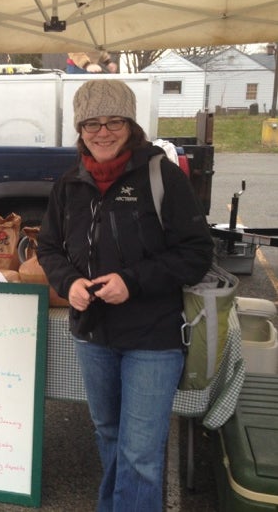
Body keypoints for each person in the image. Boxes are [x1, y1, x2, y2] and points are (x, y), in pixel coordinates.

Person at [36, 79, 214, 512]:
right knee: (109, 435)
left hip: (153, 339)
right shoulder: (69, 184)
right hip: (92, 336)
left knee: (140, 451)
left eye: (113, 121)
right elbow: (48, 247)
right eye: (91, 123)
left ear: (130, 125)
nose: (102, 132)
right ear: (80, 129)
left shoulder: (161, 176)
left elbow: (196, 253)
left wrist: (131, 281)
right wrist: (69, 283)